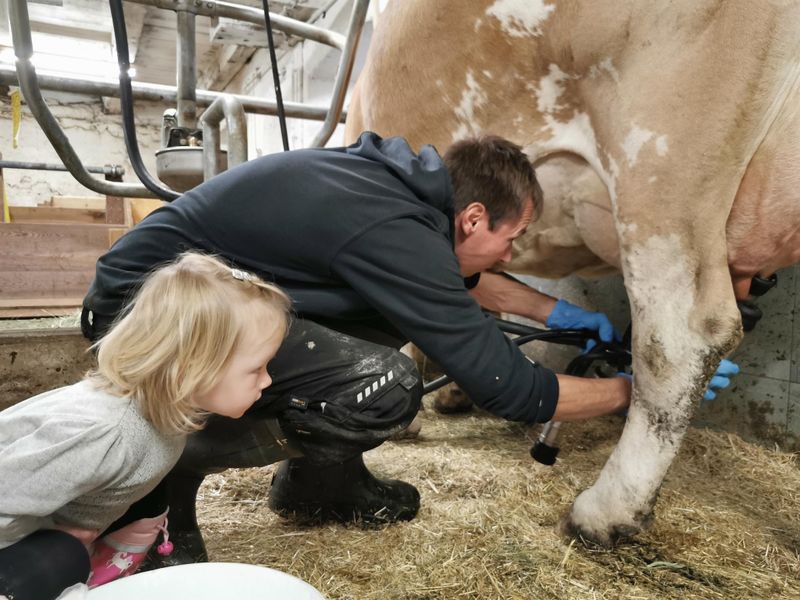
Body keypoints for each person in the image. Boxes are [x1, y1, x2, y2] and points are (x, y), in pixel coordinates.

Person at [80, 131, 735, 566]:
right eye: (514, 237)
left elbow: (466, 283)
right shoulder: (395, 226)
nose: (513, 255)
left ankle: (321, 486)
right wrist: (644, 393)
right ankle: (174, 464)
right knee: (384, 386)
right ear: (473, 217)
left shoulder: (406, 202)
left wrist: (560, 314)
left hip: (198, 300)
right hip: (147, 314)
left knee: (382, 327)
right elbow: (510, 390)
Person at [0, 253, 291, 600]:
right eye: (256, 368)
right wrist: (54, 536)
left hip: (53, 523)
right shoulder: (102, 433)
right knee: (62, 557)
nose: (267, 380)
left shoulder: (166, 410)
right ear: (192, 369)